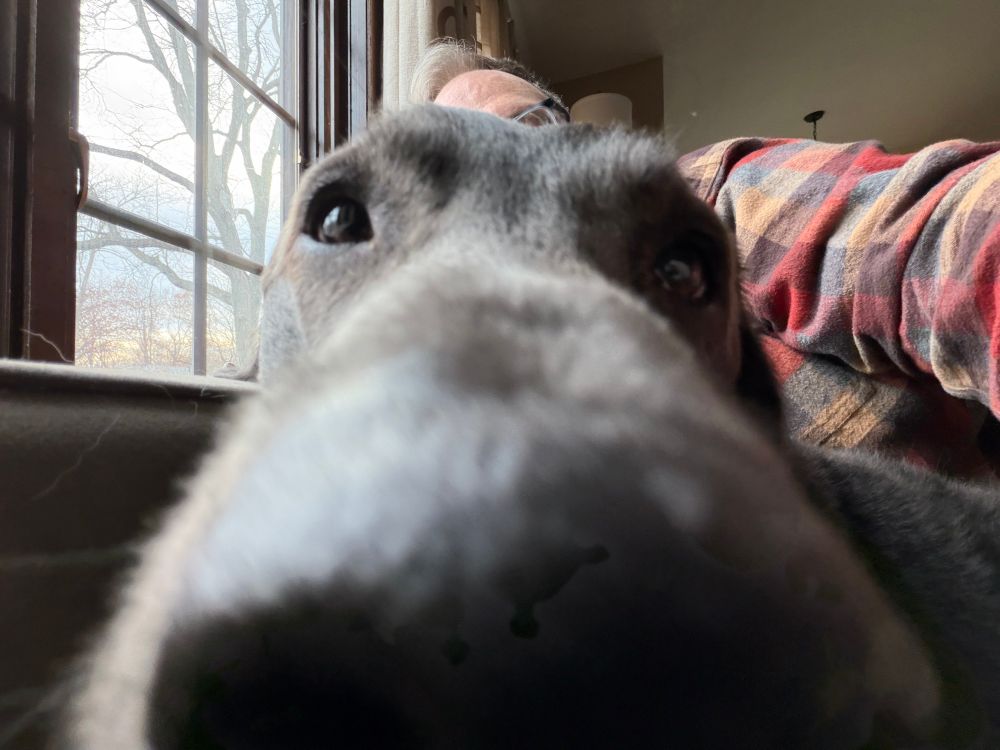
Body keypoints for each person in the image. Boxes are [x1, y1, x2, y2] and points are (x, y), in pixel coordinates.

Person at [410, 39, 1000, 477]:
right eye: (467, 170)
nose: (511, 170)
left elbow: (935, 236)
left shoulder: (700, 198)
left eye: (529, 127)